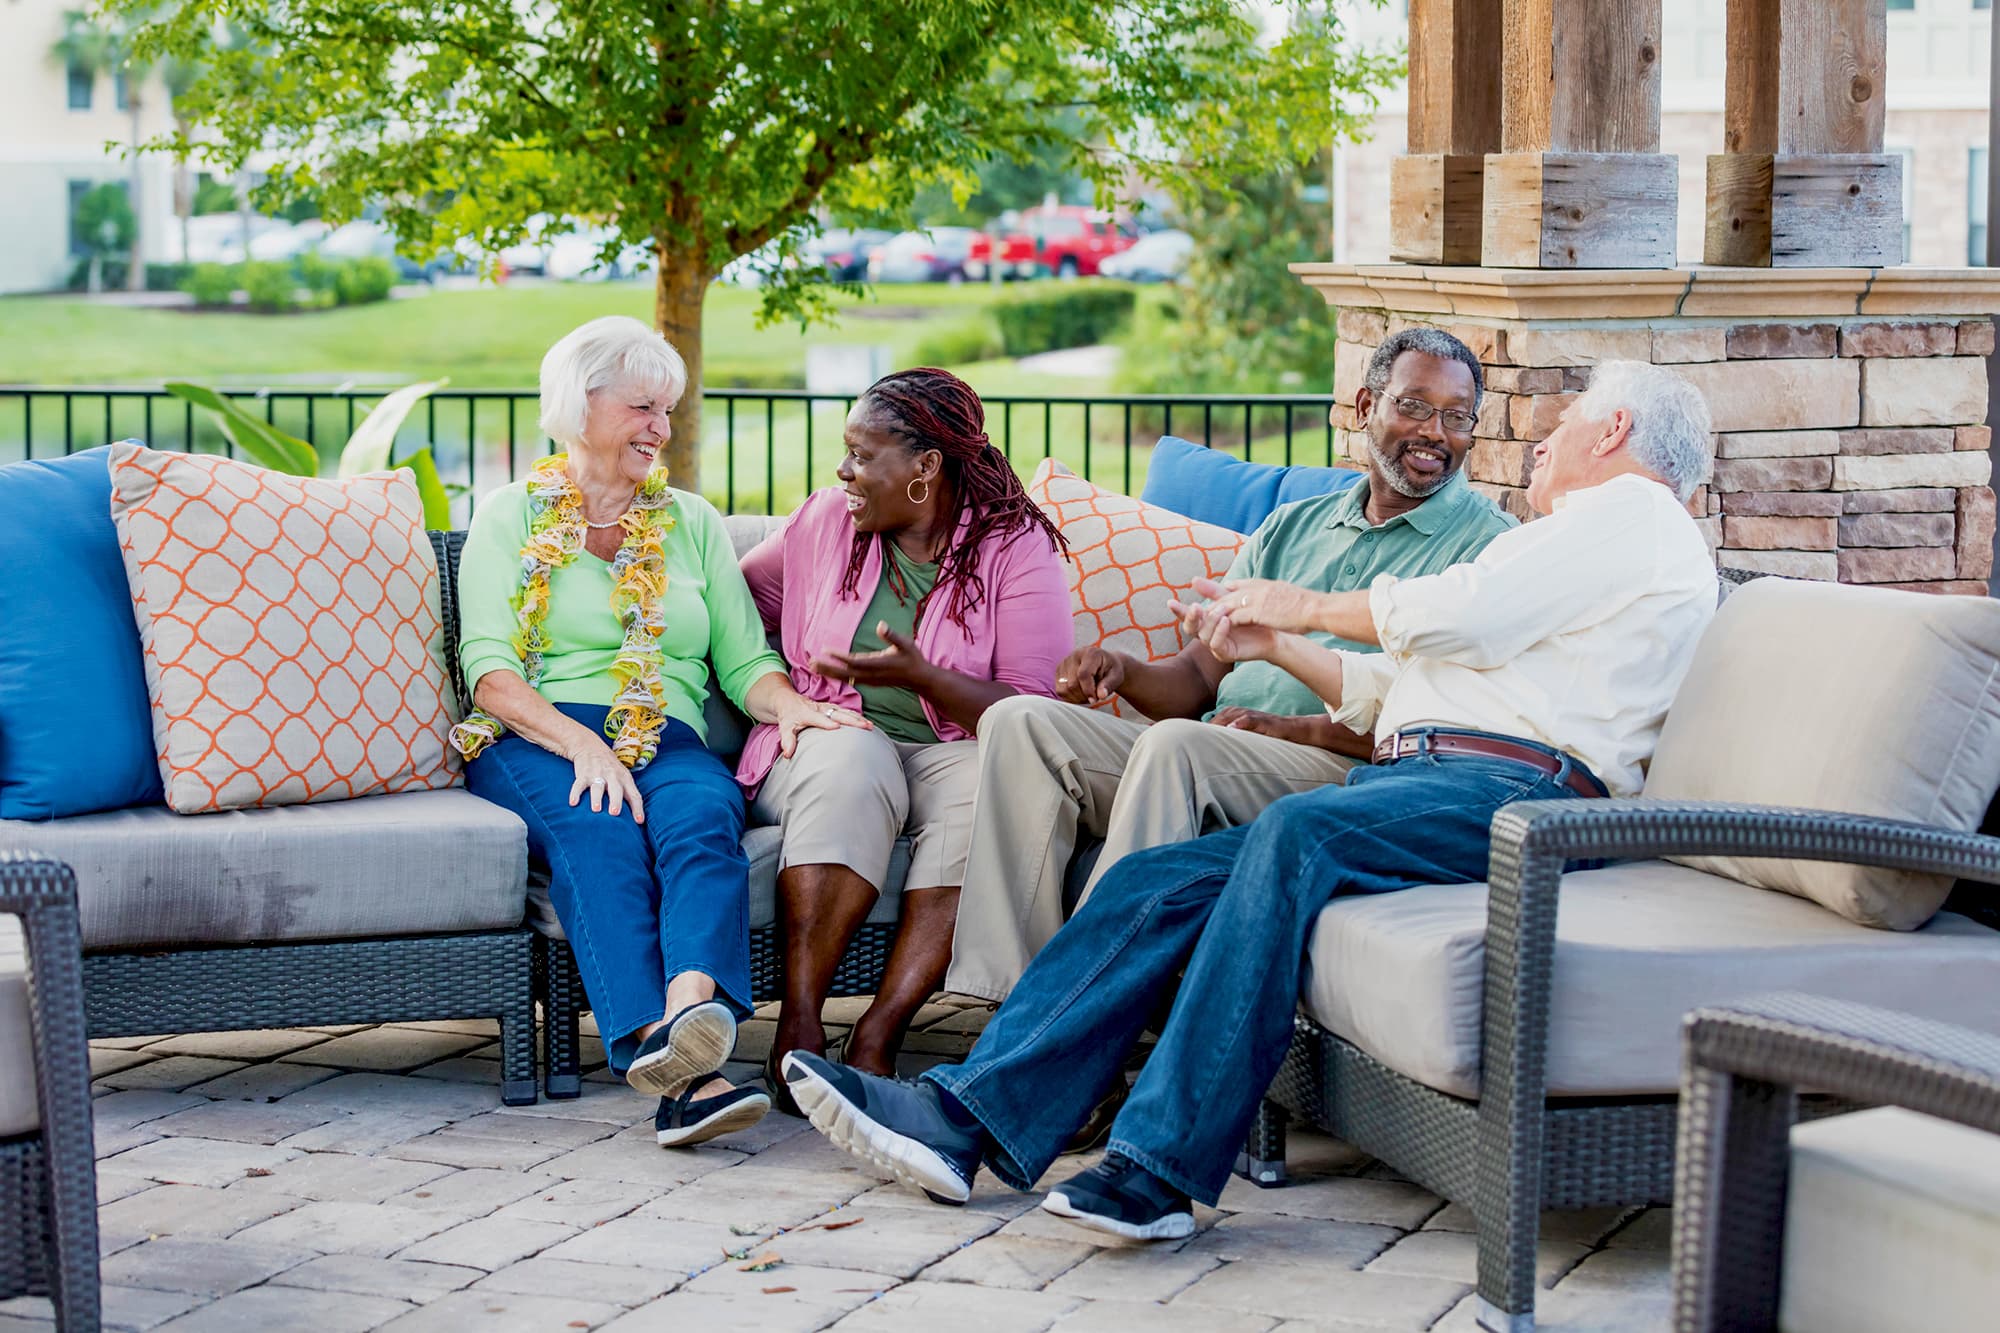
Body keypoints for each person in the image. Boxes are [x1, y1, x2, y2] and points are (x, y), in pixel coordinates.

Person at [782, 359, 1719, 1240]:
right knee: (1158, 879)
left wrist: (1300, 605)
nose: (1540, 443)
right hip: (1439, 774)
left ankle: (1158, 1172)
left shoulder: (1634, 514)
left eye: (1560, 424)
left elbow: (1456, 612)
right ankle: (966, 1117)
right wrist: (1274, 645)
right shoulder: (1585, 559)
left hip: (1525, 796)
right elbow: (1403, 692)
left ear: (1617, 429)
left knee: (1296, 834)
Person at [947, 327, 1517, 1004]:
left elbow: (1453, 724)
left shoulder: (1489, 550)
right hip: (1219, 745)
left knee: (1179, 746)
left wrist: (1297, 729)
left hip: (1346, 771)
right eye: (1415, 406)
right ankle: (1001, 1002)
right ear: (1365, 407)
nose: (1435, 433)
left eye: (1457, 417)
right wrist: (1123, 670)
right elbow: (1194, 682)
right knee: (1022, 725)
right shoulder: (1292, 528)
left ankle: (1088, 1008)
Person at [455, 315, 868, 1148]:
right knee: (601, 829)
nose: (661, 429)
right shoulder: (510, 517)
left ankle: (689, 1015)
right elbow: (490, 671)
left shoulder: (689, 520)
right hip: (540, 730)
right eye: (643, 406)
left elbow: (744, 659)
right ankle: (678, 1064)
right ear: (580, 405)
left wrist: (788, 705)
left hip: (666, 728)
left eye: (669, 411)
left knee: (702, 820)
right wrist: (583, 744)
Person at [739, 368, 1071, 1101]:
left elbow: (1029, 713)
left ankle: (879, 1034)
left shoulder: (1013, 547)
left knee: (994, 782)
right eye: (846, 450)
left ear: (926, 466)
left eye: (864, 453)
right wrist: (782, 690)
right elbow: (733, 611)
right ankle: (798, 1027)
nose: (844, 469)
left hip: (954, 746)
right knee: (852, 758)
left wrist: (923, 678)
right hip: (833, 732)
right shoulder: (825, 520)